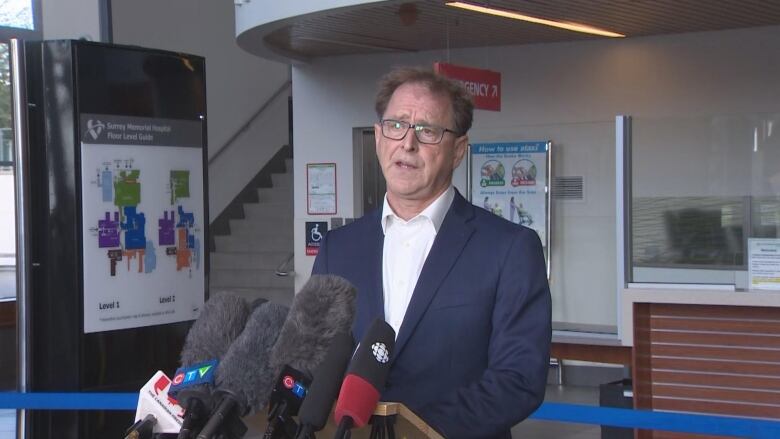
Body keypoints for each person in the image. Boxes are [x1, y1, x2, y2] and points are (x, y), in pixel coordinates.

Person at [312, 67, 551, 438]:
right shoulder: (338, 248)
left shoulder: (509, 249)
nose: (407, 143)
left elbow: (518, 379)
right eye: (396, 125)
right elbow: (314, 359)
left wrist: (414, 431)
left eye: (428, 131)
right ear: (378, 137)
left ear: (458, 150)